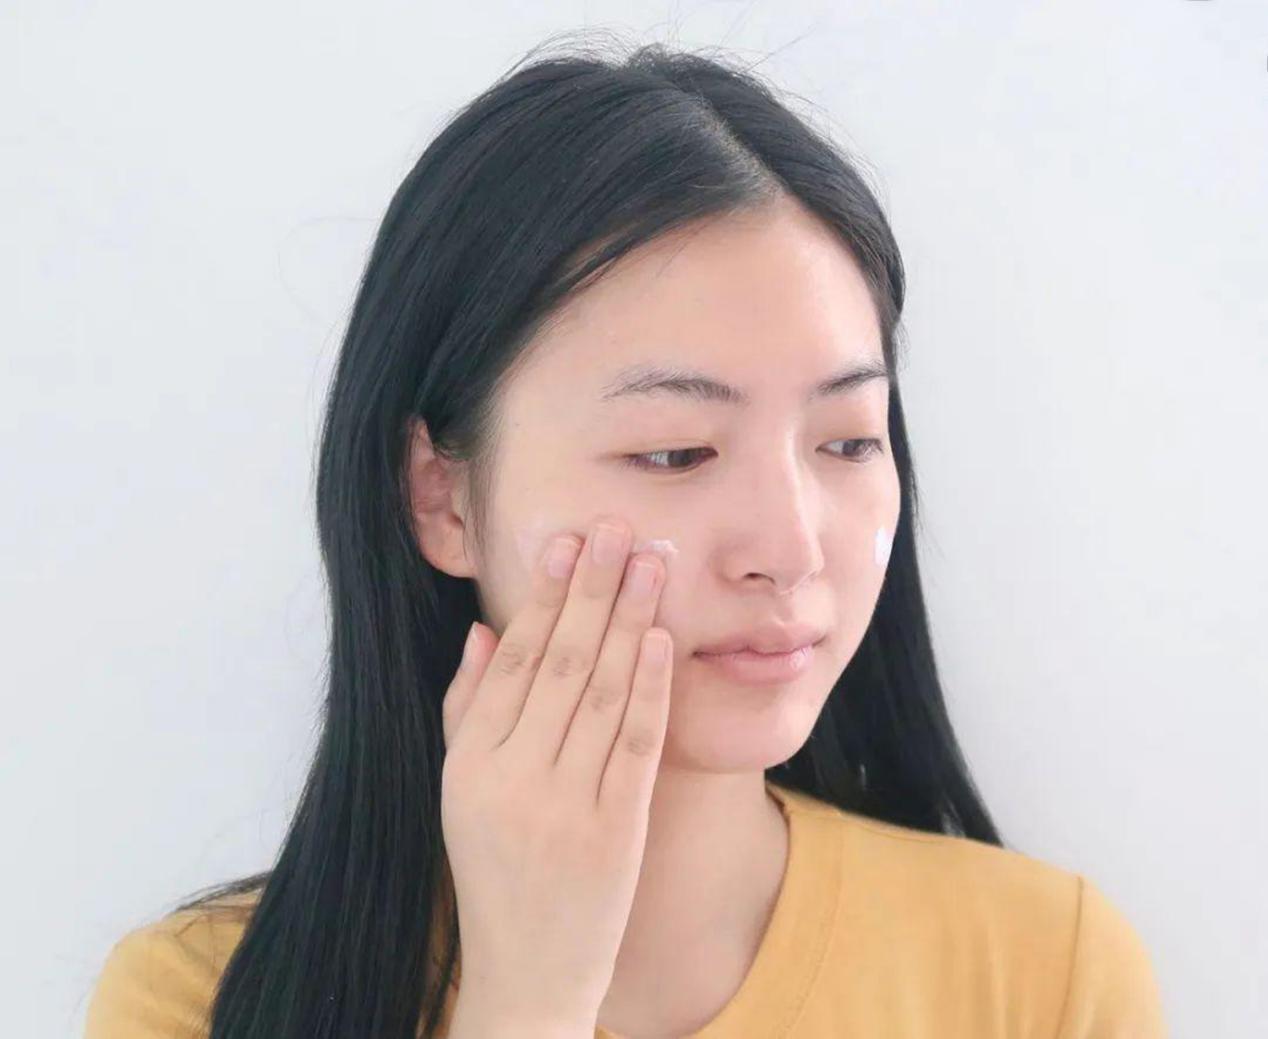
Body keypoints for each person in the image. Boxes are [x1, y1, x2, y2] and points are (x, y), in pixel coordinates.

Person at [84, 33, 1166, 1039]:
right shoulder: (196, 1000)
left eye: (846, 440)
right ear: (441, 497)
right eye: (675, 453)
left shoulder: (1043, 973)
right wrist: (527, 995)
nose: (789, 548)